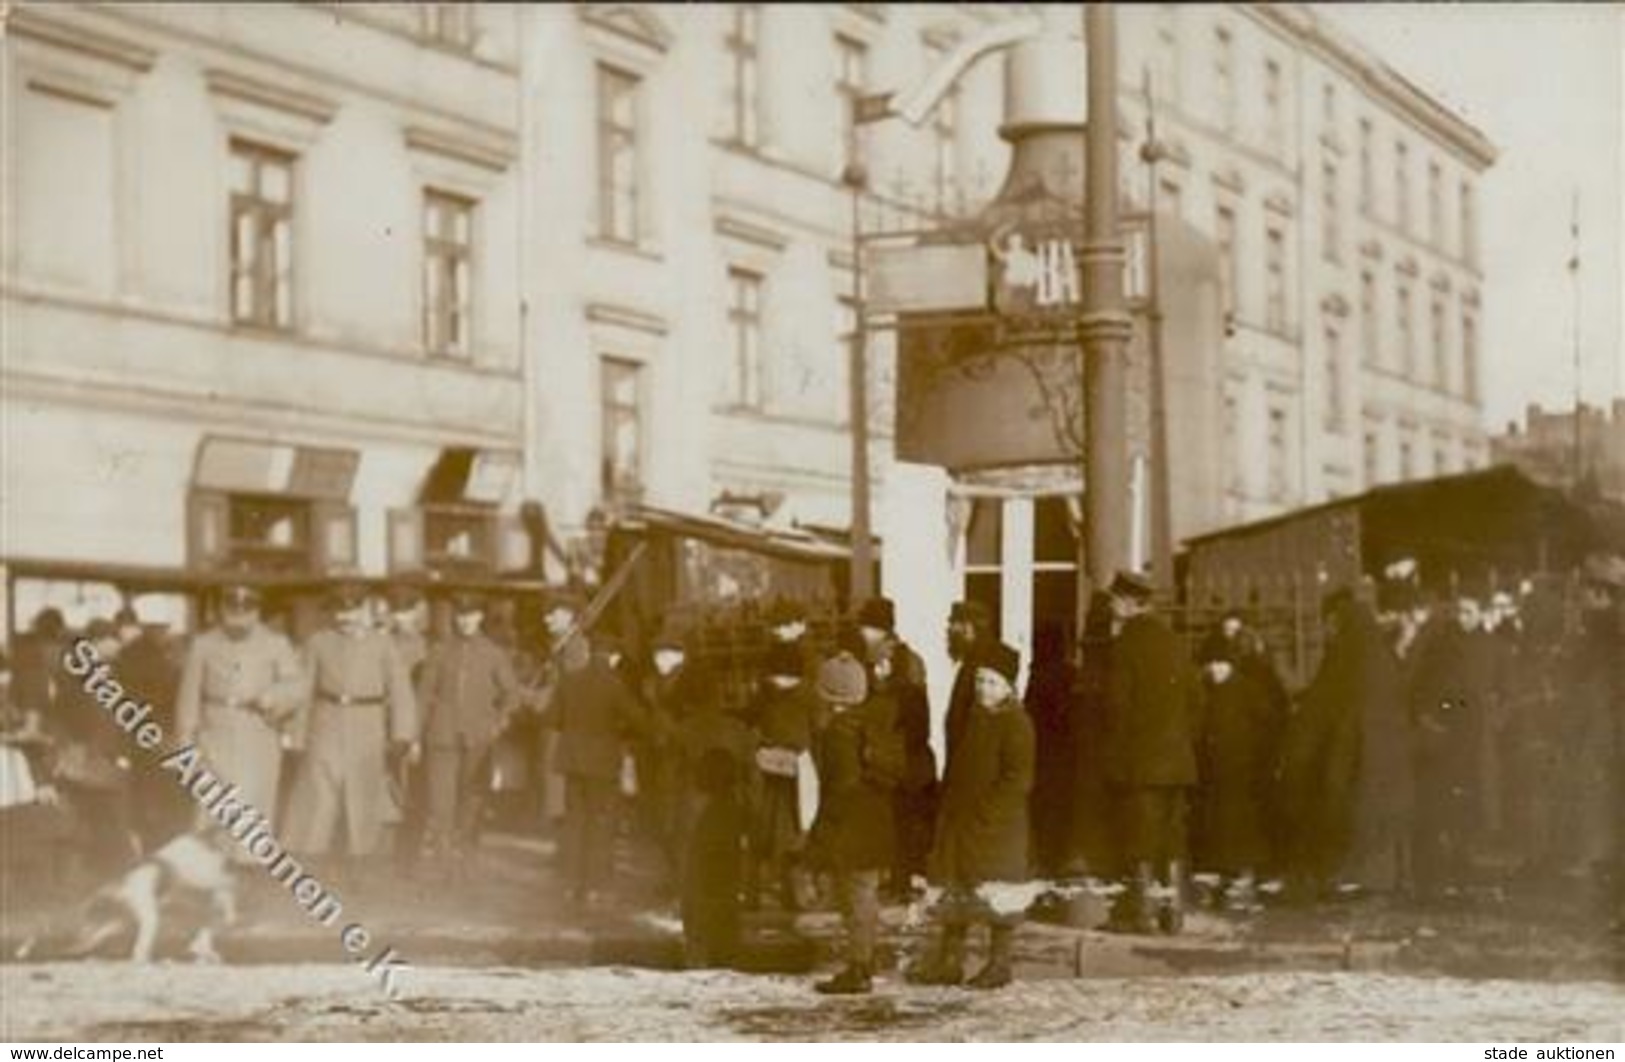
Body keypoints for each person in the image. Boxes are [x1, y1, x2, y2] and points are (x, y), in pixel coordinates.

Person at [908, 641, 1034, 990]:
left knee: (997, 895)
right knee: (955, 889)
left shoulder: (1016, 723)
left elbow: (1018, 779)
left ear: (1009, 686)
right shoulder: (976, 717)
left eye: (992, 682)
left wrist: (987, 813)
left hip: (996, 826)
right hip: (962, 821)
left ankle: (1000, 963)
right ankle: (950, 961)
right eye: (979, 680)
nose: (983, 688)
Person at [284, 584, 418, 877]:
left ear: (365, 609)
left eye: (353, 610)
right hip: (326, 720)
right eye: (341, 611)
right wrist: (296, 734)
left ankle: (363, 864)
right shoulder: (318, 642)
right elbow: (303, 690)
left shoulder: (383, 644)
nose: (347, 618)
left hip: (368, 723)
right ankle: (311, 864)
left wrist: (402, 734)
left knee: (364, 793)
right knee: (319, 793)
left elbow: (400, 692)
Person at [1100, 570, 1199, 934]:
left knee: (1140, 837)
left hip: (1140, 761)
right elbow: (1195, 700)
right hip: (1178, 762)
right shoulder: (1176, 642)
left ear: (1130, 603)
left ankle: (1142, 914)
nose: (1111, 606)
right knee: (1171, 838)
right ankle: (1173, 913)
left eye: (1114, 599)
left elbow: (1117, 707)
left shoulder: (1125, 645)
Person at [174, 585, 306, 840]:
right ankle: (212, 859)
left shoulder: (276, 643)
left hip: (258, 730)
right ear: (222, 610)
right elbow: (189, 694)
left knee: (255, 794)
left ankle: (248, 862)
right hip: (215, 729)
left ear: (256, 611)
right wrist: (185, 737)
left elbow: (295, 685)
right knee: (214, 797)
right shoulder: (203, 644)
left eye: (247, 609)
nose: (239, 615)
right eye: (232, 608)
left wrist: (271, 697)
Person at [805, 651, 898, 995]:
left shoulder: (836, 733)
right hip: (875, 820)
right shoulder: (871, 722)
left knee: (855, 897)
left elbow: (838, 790)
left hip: (850, 825)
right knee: (866, 894)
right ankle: (865, 960)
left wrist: (820, 833)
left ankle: (858, 969)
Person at [544, 593, 645, 908]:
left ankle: (571, 886)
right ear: (610, 656)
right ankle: (596, 887)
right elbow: (637, 720)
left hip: (572, 760)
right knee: (601, 825)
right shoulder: (614, 683)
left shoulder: (570, 681)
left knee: (575, 823)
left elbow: (552, 717)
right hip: (602, 763)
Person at [1406, 591, 1500, 901]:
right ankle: (1449, 870)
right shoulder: (1450, 648)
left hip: (1450, 737)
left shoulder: (1448, 648)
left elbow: (1441, 690)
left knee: (1444, 805)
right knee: (1449, 805)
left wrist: (1432, 715)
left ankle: (1443, 872)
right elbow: (1451, 691)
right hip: (1454, 736)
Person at [416, 592, 519, 868]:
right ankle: (443, 857)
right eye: (460, 615)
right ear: (454, 617)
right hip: (441, 735)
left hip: (478, 739)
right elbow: (424, 694)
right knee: (441, 800)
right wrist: (416, 734)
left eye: (471, 615)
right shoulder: (439, 650)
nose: (465, 621)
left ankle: (466, 853)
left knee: (473, 798)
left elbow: (512, 695)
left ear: (480, 617)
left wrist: (498, 723)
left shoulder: (493, 654)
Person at [856, 596, 936, 902]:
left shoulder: (886, 662)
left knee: (894, 820)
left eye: (867, 627)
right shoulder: (907, 659)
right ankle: (897, 878)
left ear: (879, 630)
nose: (863, 633)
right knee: (898, 821)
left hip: (890, 756)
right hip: (898, 755)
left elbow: (909, 713)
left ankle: (896, 879)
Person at [1193, 637, 1275, 909]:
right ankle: (1220, 881)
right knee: (1215, 828)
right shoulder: (1204, 691)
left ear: (1231, 664)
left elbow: (1268, 727)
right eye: (1211, 663)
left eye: (1221, 663)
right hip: (1212, 773)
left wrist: (1256, 758)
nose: (1215, 669)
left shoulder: (1248, 690)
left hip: (1241, 772)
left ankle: (1241, 881)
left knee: (1239, 829)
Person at [746, 640, 815, 911]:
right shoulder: (809, 695)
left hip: (771, 776)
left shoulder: (764, 693)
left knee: (763, 836)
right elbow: (819, 730)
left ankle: (754, 894)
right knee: (793, 835)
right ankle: (792, 894)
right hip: (795, 774)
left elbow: (749, 721)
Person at [681, 748, 748, 968]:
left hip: (708, 887)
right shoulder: (733, 807)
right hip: (726, 885)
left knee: (708, 930)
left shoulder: (713, 813)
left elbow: (700, 855)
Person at [1024, 621, 1076, 880]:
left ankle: (1044, 861)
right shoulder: (1071, 673)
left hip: (1043, 753)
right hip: (1065, 755)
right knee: (1060, 810)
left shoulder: (1039, 674)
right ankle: (1057, 860)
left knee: (1043, 810)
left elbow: (1030, 714)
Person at [944, 599, 995, 765]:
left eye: (953, 624)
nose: (948, 630)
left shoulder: (981, 668)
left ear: (968, 628)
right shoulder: (971, 663)